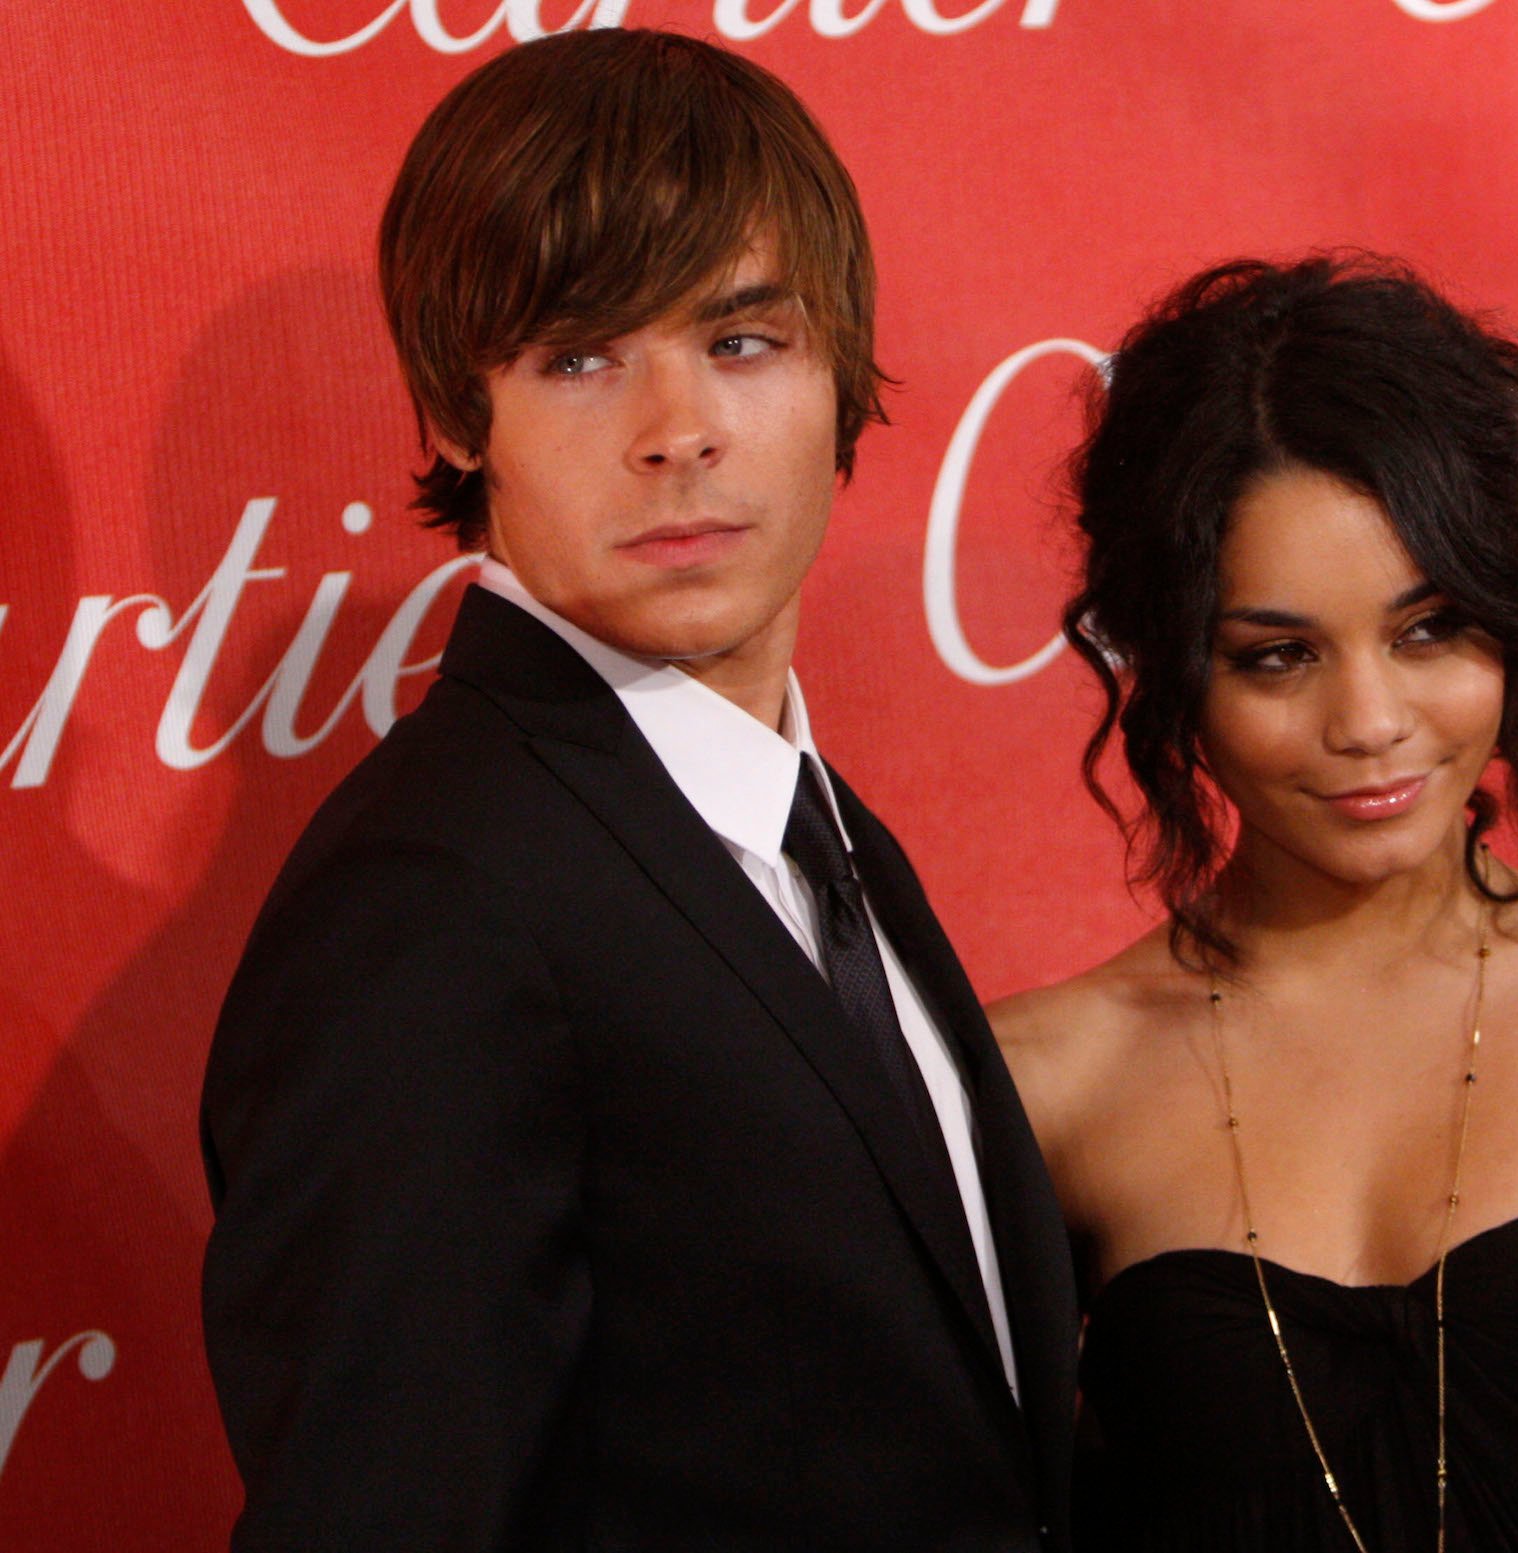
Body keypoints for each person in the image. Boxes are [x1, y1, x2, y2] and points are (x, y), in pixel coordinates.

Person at [199, 30, 1075, 1552]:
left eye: (743, 341)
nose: (678, 427)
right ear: (460, 415)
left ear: (841, 378)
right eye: (582, 355)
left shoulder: (818, 833)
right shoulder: (430, 900)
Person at [991, 256, 1518, 1552]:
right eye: (1277, 656)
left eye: (1429, 629)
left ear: (1515, 621)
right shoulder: (1046, 1081)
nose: (1371, 722)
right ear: (1171, 672)